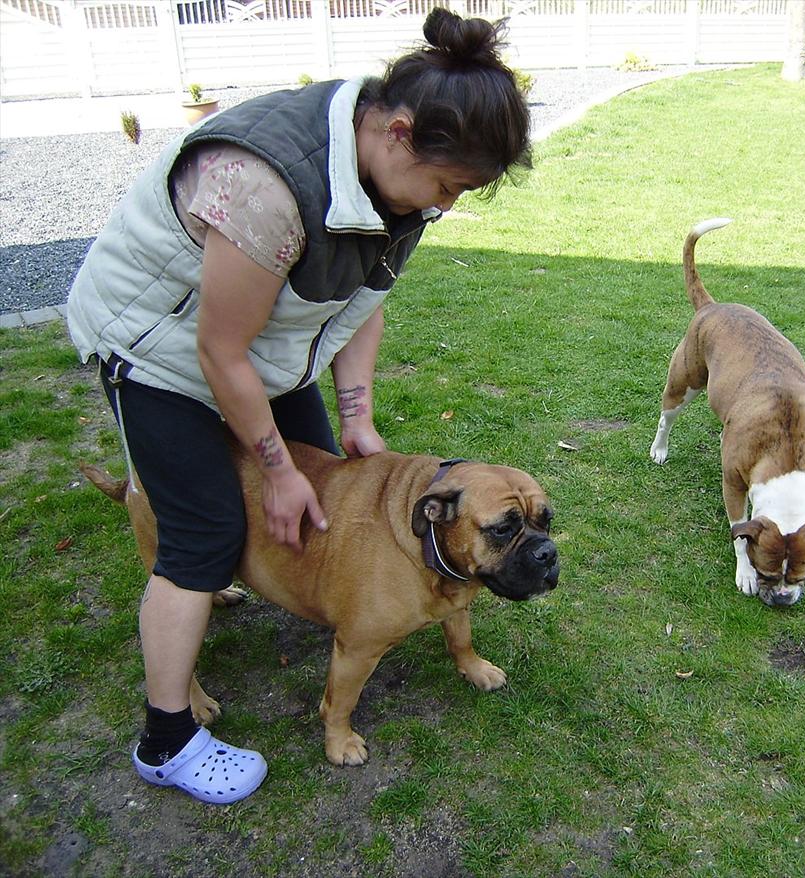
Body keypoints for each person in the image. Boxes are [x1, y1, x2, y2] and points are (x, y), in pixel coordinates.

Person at [66, 8, 531, 804]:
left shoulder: (399, 186)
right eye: (449, 185)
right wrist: (276, 469)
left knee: (325, 497)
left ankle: (288, 582)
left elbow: (361, 300)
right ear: (397, 132)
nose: (446, 205)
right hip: (155, 342)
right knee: (205, 527)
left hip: (264, 345)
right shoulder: (265, 188)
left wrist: (354, 415)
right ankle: (167, 738)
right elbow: (218, 353)